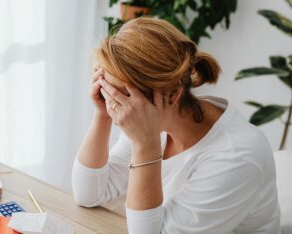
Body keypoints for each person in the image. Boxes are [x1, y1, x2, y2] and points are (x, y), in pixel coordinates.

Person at [72, 17, 280, 234]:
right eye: (107, 92)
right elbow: (88, 194)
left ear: (172, 94)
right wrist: (102, 114)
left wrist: (146, 144)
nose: (118, 111)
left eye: (121, 97)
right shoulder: (155, 118)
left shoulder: (237, 156)